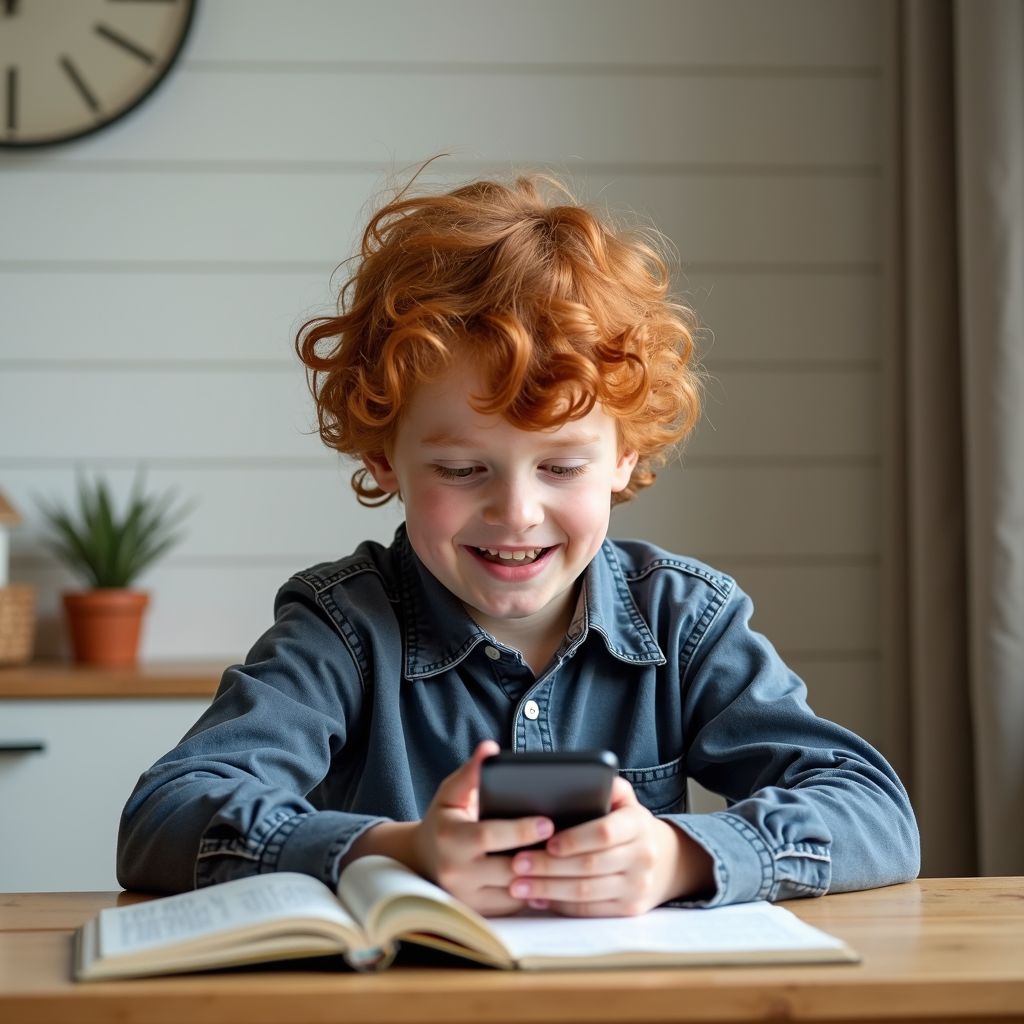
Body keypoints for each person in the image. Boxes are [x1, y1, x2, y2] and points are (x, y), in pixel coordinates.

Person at [117, 176, 919, 915]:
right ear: (381, 458)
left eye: (562, 465)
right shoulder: (343, 627)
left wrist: (679, 856)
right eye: (463, 468)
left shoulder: (685, 619)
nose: (517, 511)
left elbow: (874, 812)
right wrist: (397, 851)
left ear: (625, 456)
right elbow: (165, 813)